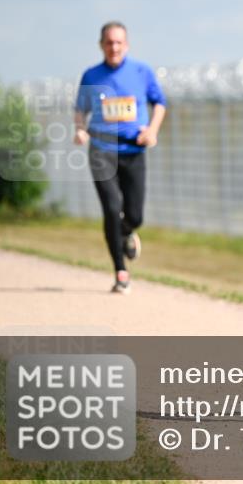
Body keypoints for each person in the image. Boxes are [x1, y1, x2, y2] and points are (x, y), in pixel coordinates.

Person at [74, 21, 167, 294]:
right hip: (102, 151)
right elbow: (80, 110)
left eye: (118, 42)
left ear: (126, 44)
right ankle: (120, 271)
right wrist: (79, 130)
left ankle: (126, 232)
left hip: (133, 151)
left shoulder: (142, 71)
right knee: (112, 208)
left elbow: (159, 103)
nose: (114, 47)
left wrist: (152, 130)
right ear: (101, 45)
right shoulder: (91, 76)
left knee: (135, 214)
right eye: (109, 42)